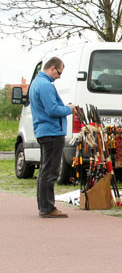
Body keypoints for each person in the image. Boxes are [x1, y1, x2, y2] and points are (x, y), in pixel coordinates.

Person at [29, 57, 75, 218]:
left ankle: (44, 206)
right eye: (59, 73)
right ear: (53, 68)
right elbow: (53, 109)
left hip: (43, 131)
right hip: (52, 132)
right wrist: (69, 109)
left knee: (44, 170)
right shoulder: (45, 85)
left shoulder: (36, 82)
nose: (59, 76)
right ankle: (48, 208)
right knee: (50, 171)